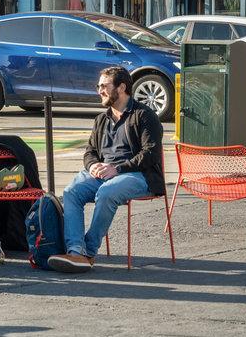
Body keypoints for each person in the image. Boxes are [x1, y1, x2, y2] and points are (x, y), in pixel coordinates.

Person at [48, 66, 165, 274]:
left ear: (121, 87)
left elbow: (151, 154)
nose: (99, 90)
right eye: (98, 86)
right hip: (105, 174)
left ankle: (88, 252)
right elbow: (90, 151)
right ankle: (75, 251)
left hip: (138, 175)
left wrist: (117, 169)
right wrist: (93, 165)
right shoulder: (102, 119)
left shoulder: (144, 115)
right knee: (71, 191)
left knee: (107, 191)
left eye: (104, 86)